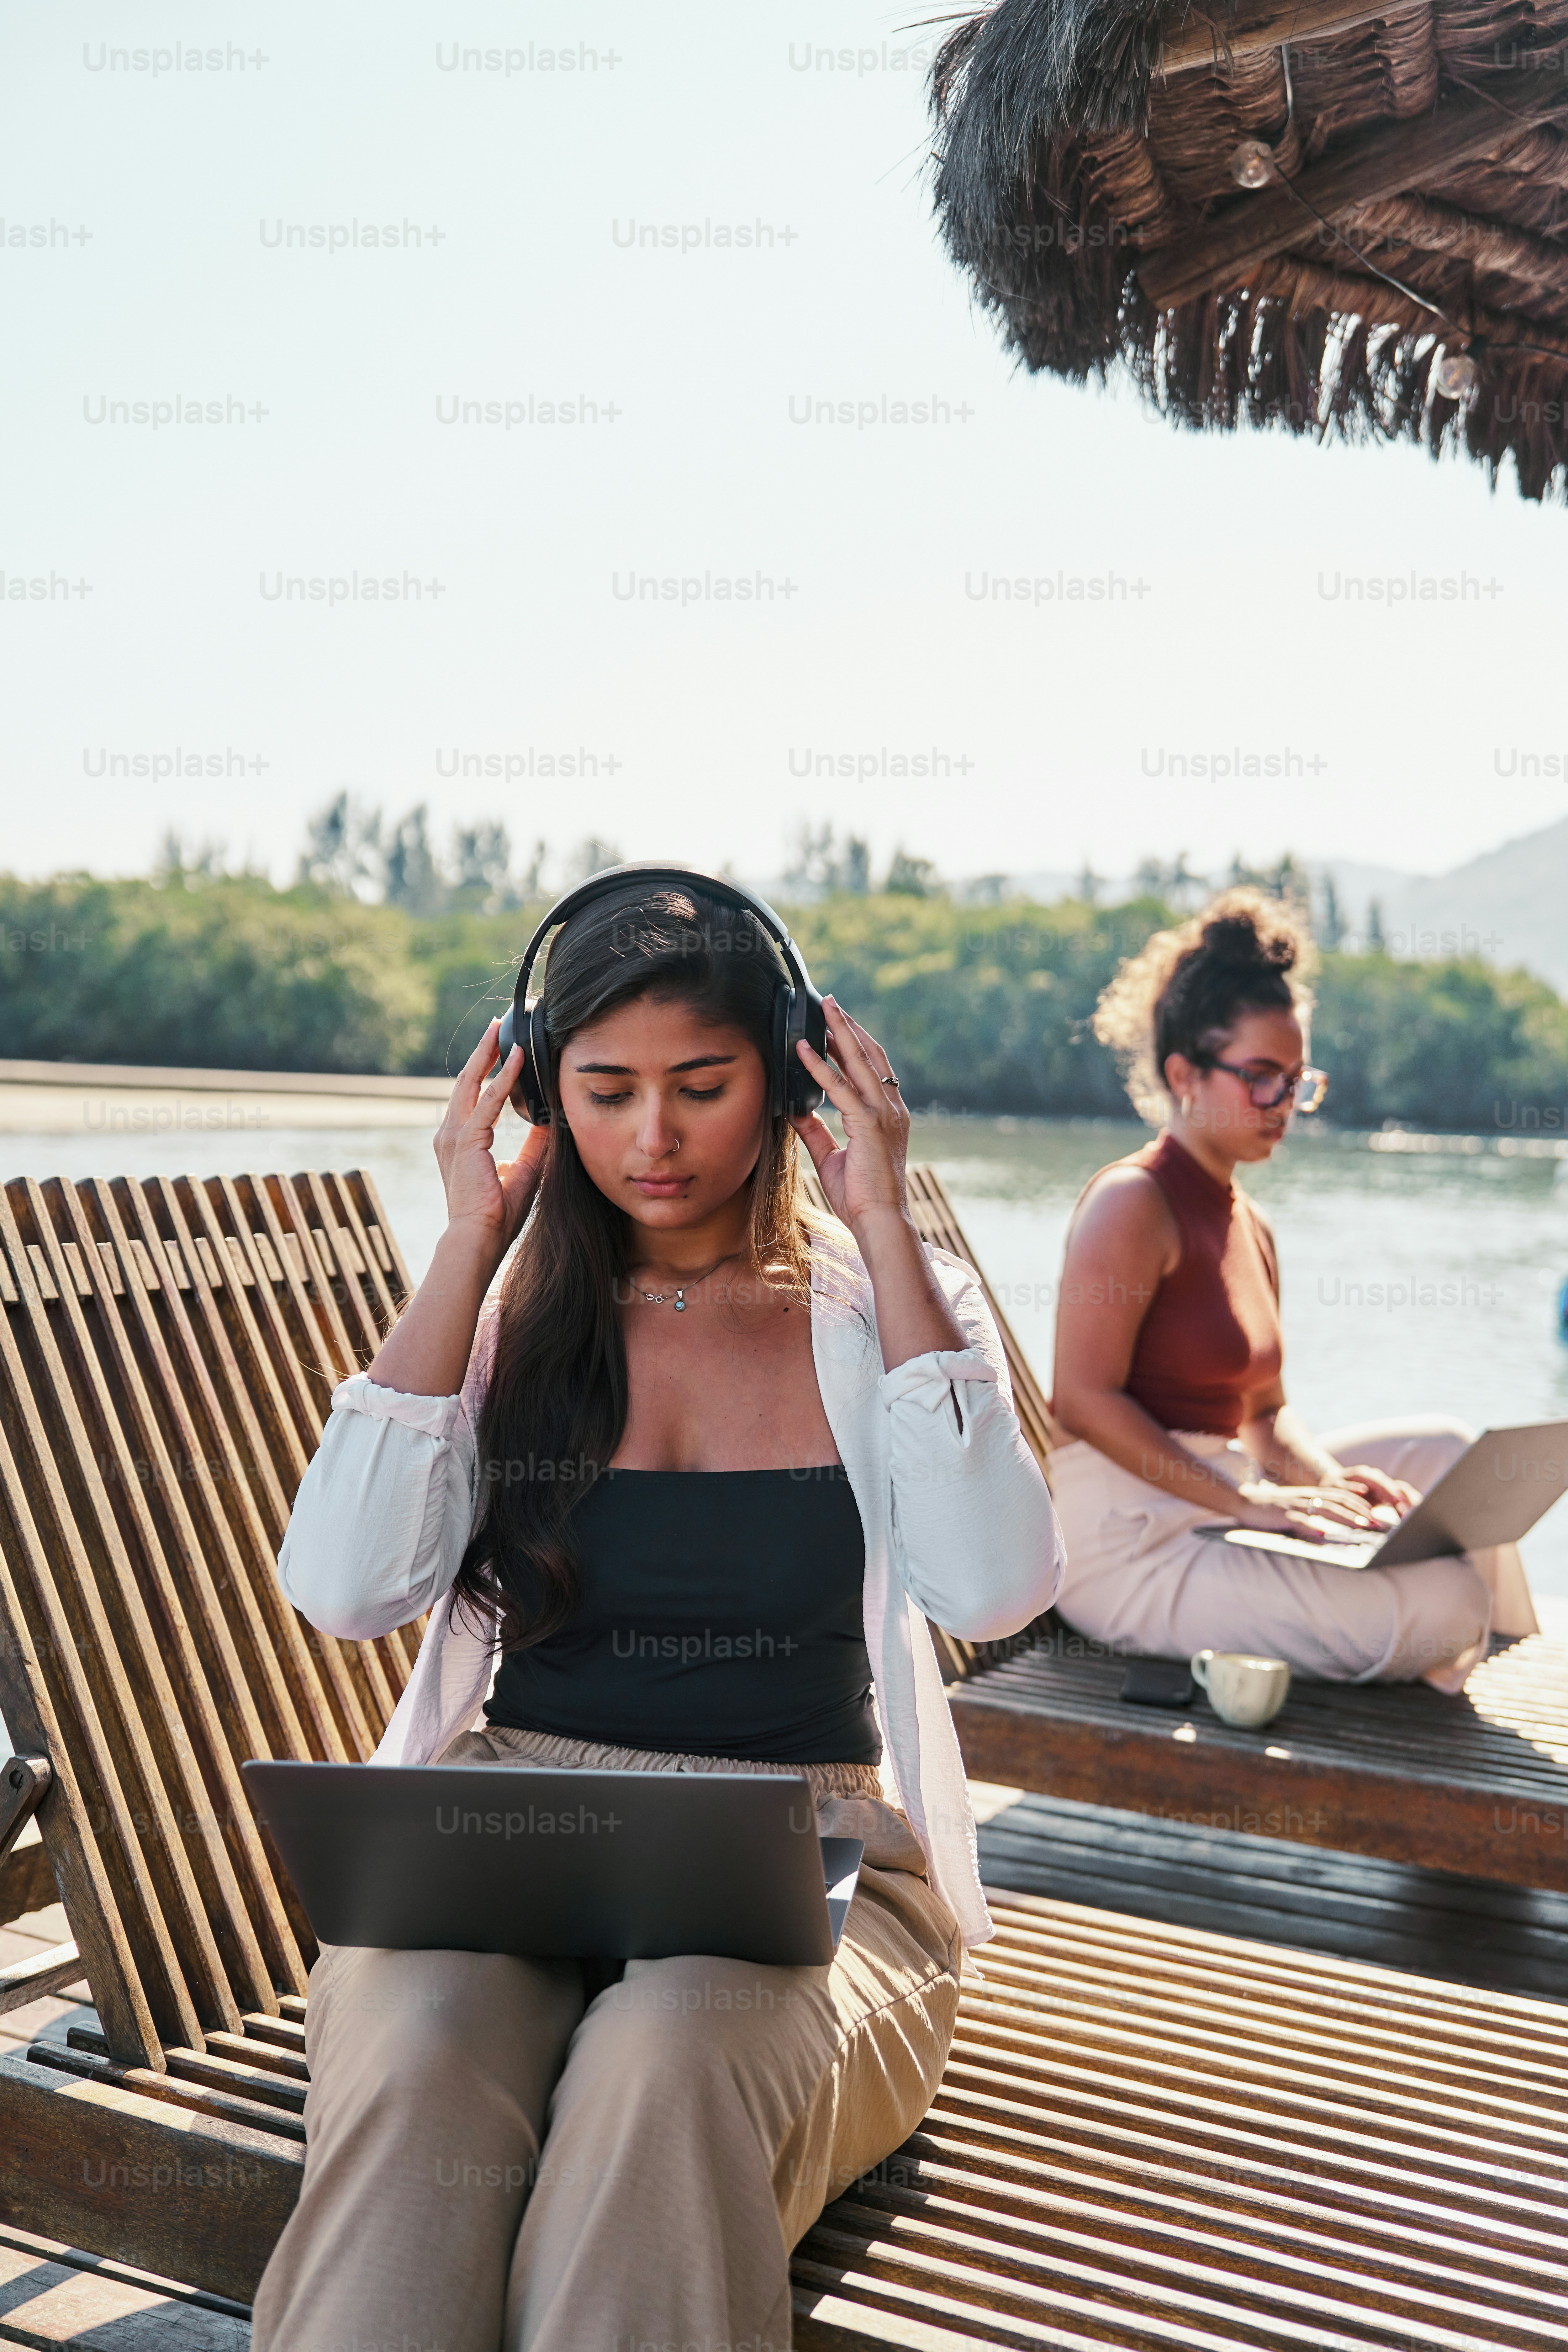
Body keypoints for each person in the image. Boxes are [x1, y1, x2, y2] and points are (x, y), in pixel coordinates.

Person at [253, 870, 1061, 2352]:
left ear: (789, 1067)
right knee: (422, 2054)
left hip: (809, 1853)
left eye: (702, 1084)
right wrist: (464, 1239)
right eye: (607, 1089)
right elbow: (343, 1586)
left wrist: (880, 1215)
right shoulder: (508, 1314)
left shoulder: (882, 1303)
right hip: (506, 1833)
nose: (654, 1136)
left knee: (655, 2066)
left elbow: (997, 1584)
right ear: (541, 1090)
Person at [1048, 888, 1537, 1691]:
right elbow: (1080, 1403)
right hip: (1128, 1543)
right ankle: (1460, 1658)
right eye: (1260, 1078)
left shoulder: (1253, 1225)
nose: (1283, 1105)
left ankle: (1493, 1672)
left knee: (1453, 1455)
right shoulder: (1131, 1203)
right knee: (1447, 1601)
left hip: (1226, 1495)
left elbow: (1265, 1417)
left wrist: (1321, 1484)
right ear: (1183, 1074)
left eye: (1296, 1081)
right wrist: (1242, 1506)